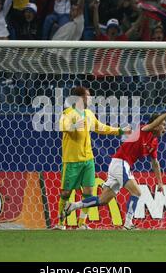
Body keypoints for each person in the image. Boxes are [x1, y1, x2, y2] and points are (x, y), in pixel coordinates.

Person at [63, 104, 166, 230]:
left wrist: (160, 183)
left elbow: (155, 163)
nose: (165, 128)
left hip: (122, 165)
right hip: (120, 162)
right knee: (137, 192)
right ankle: (128, 224)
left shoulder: (154, 142)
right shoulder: (143, 129)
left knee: (103, 200)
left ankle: (72, 206)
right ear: (156, 125)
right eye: (163, 124)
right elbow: (153, 123)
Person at [55, 86, 131, 230]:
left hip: (88, 160)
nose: (90, 98)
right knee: (66, 192)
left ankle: (82, 223)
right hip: (72, 160)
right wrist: (74, 126)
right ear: (79, 98)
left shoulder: (89, 114)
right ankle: (60, 223)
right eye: (88, 96)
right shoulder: (68, 113)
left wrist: (120, 130)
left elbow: (101, 127)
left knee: (89, 192)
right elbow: (63, 126)